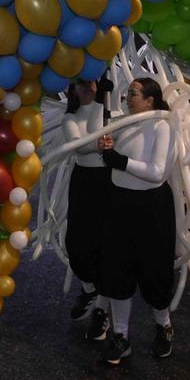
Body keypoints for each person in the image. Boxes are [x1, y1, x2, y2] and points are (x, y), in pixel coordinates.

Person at [98, 77, 176, 365]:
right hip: (119, 203)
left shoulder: (161, 126)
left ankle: (164, 325)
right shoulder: (124, 122)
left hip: (151, 208)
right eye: (128, 93)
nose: (128, 98)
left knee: (154, 270)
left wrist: (118, 160)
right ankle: (120, 336)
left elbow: (156, 172)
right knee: (117, 269)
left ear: (150, 100)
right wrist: (105, 148)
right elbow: (110, 149)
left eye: (134, 94)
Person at [61, 77, 112, 340]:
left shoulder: (108, 110)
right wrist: (97, 145)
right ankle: (90, 289)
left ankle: (102, 313)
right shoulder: (69, 118)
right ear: (72, 90)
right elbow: (78, 146)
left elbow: (106, 133)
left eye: (91, 83)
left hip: (108, 181)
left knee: (106, 246)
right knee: (77, 243)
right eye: (80, 85)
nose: (87, 88)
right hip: (84, 182)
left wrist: (104, 103)